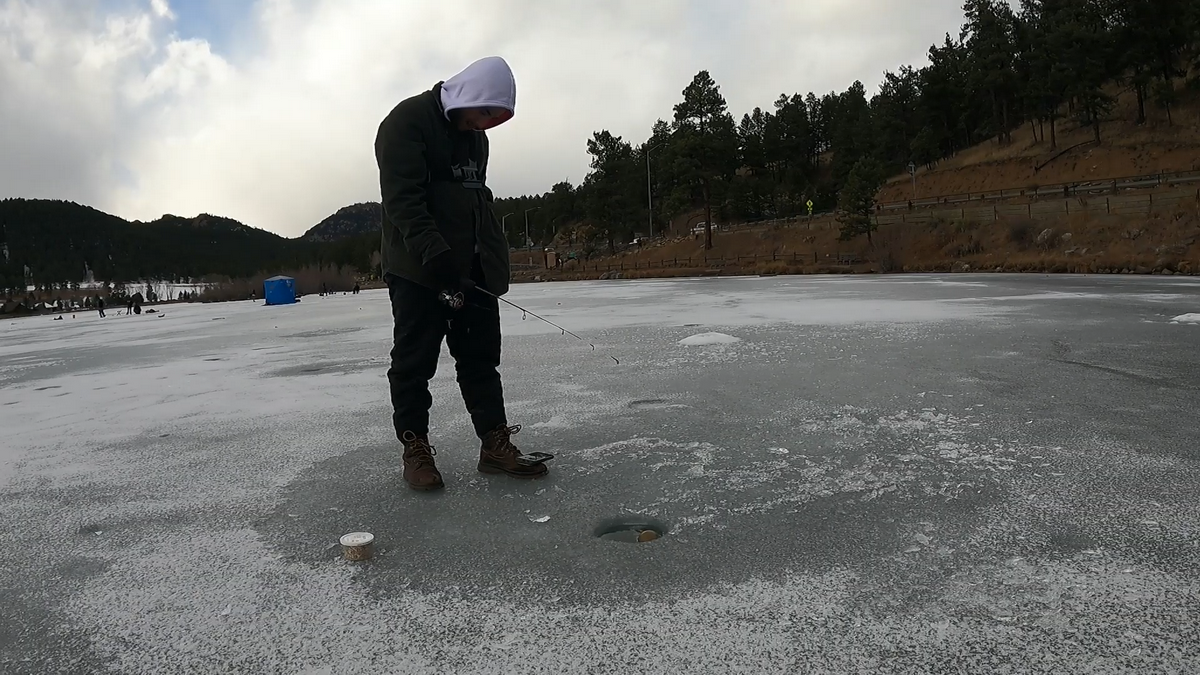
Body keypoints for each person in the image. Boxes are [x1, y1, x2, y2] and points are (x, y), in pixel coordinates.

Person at [374, 56, 546, 491]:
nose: (487, 126)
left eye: (497, 119)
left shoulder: (476, 138)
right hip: (418, 269)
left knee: (480, 360)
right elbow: (403, 203)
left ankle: (494, 445)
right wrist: (438, 259)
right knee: (414, 363)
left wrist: (485, 262)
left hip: (471, 269)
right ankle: (415, 449)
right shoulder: (406, 122)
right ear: (470, 95)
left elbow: (475, 199)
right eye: (486, 113)